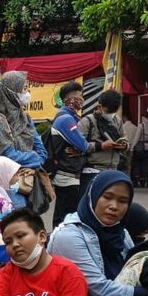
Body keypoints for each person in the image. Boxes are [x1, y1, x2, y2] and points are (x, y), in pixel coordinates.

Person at [47, 80, 97, 227]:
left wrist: (82, 150)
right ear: (70, 99)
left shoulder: (73, 118)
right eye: (79, 96)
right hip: (66, 175)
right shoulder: (65, 119)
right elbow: (84, 145)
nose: (81, 100)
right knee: (65, 216)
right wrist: (84, 149)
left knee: (67, 215)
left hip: (72, 174)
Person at [0, 71, 47, 168]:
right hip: (8, 178)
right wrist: (35, 158)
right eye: (24, 88)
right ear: (11, 92)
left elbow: (41, 149)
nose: (27, 93)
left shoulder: (25, 117)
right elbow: (7, 155)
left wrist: (38, 160)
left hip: (29, 176)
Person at [76, 89, 128, 193]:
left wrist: (123, 146)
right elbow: (77, 146)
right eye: (108, 111)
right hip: (92, 170)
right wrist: (101, 146)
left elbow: (126, 140)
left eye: (114, 112)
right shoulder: (87, 121)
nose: (111, 114)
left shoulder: (117, 121)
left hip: (113, 170)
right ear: (100, 106)